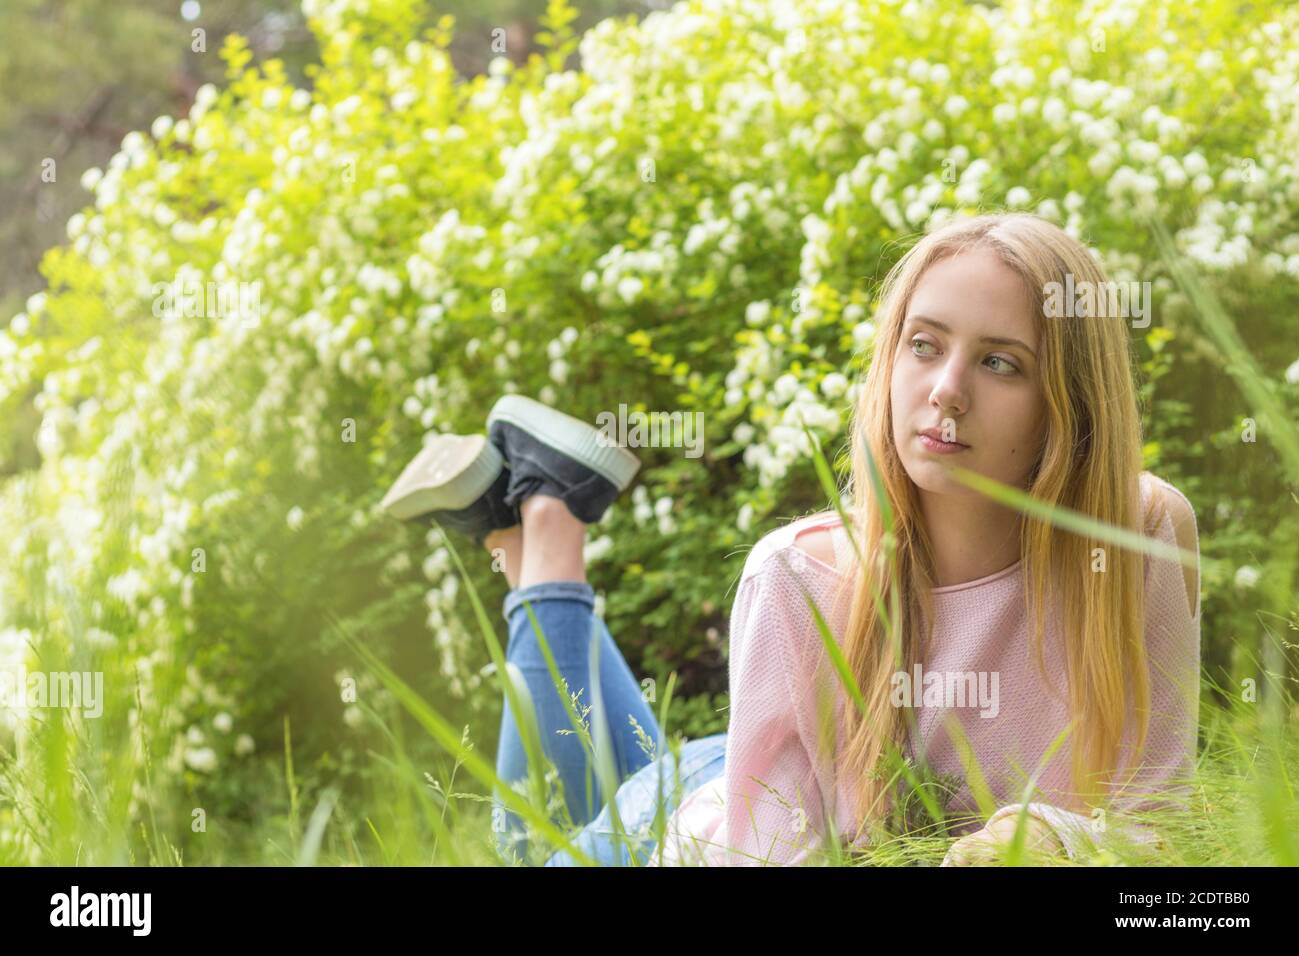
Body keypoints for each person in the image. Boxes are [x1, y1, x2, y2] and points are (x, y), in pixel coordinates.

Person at [380, 211, 1202, 866]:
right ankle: (546, 530)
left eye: (1001, 364)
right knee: (525, 847)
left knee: (625, 777)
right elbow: (764, 849)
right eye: (924, 345)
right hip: (729, 828)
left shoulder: (1137, 539)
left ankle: (515, 528)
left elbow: (1157, 824)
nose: (946, 390)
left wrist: (1049, 840)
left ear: (1072, 402)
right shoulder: (798, 577)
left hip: (754, 771)